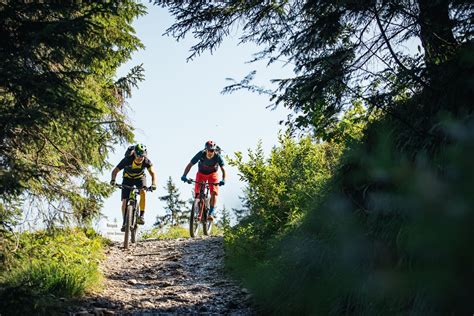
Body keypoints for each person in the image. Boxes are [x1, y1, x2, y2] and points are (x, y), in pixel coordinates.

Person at [110, 144, 157, 231]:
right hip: (127, 178)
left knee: (143, 192)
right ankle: (125, 222)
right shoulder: (127, 159)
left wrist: (153, 184)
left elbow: (153, 173)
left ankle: (141, 216)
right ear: (134, 154)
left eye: (142, 156)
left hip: (140, 178)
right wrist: (113, 180)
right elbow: (115, 171)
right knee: (124, 201)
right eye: (138, 156)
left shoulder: (146, 161)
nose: (140, 158)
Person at [181, 140, 226, 221]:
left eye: (212, 150)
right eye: (209, 150)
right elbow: (190, 164)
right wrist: (184, 175)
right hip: (201, 174)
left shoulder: (217, 156)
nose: (210, 152)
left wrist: (223, 179)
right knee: (197, 193)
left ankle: (211, 213)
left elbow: (223, 169)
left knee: (214, 192)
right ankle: (199, 209)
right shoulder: (201, 154)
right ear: (206, 149)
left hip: (213, 174)